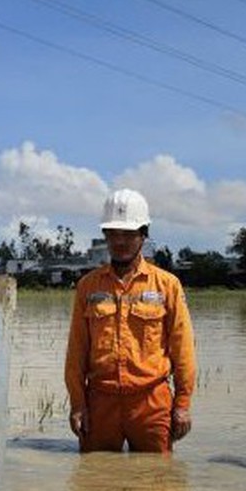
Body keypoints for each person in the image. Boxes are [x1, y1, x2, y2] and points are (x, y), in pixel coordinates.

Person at [64, 189, 196, 453]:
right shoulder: (87, 287)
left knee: (156, 482)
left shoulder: (167, 285)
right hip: (100, 401)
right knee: (94, 479)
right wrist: (78, 404)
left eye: (128, 234)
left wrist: (181, 405)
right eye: (113, 234)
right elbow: (76, 351)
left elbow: (183, 350)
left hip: (151, 401)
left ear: (144, 235)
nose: (120, 241)